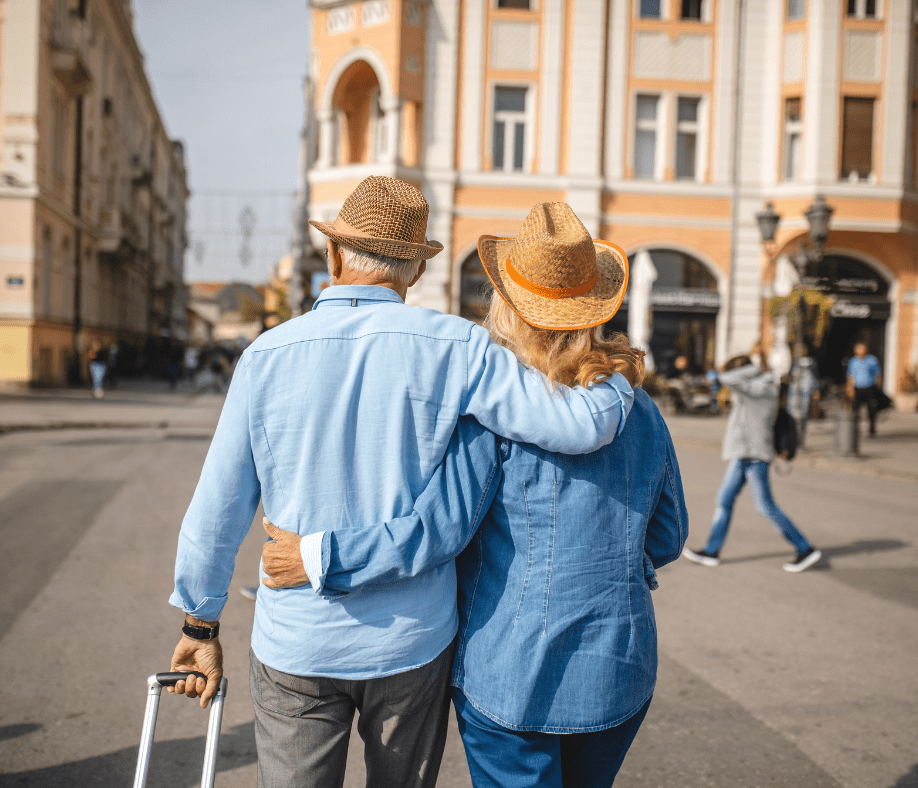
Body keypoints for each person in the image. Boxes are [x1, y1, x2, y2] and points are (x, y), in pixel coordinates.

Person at [165, 180, 635, 788]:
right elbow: (578, 426)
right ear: (416, 271)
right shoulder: (458, 347)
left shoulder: (265, 355)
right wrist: (619, 374)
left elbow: (215, 513)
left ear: (334, 256)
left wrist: (199, 625)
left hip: (298, 640)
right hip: (410, 642)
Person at [263, 203, 688, 788]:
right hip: (620, 667)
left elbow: (436, 533)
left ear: (506, 305)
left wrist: (321, 555)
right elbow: (668, 536)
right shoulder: (639, 409)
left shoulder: (496, 414)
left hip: (512, 672)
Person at [683, 344, 822, 573]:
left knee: (765, 506)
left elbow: (726, 378)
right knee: (724, 500)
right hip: (744, 454)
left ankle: (804, 548)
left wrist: (752, 366)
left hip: (754, 455)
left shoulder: (761, 388)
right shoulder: (756, 387)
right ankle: (712, 551)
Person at [847, 342, 882, 436]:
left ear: (866, 349)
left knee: (871, 408)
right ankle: (855, 429)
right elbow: (850, 376)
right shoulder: (853, 361)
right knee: (855, 409)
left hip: (870, 387)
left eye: (862, 349)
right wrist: (850, 389)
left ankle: (872, 429)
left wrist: (878, 388)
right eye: (858, 349)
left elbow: (878, 374)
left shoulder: (872, 360)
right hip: (858, 387)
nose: (860, 351)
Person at [788, 346, 819, 443]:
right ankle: (794, 435)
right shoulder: (794, 362)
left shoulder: (811, 362)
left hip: (806, 390)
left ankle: (802, 433)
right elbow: (789, 375)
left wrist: (816, 390)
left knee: (804, 412)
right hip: (794, 390)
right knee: (792, 412)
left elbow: (815, 376)